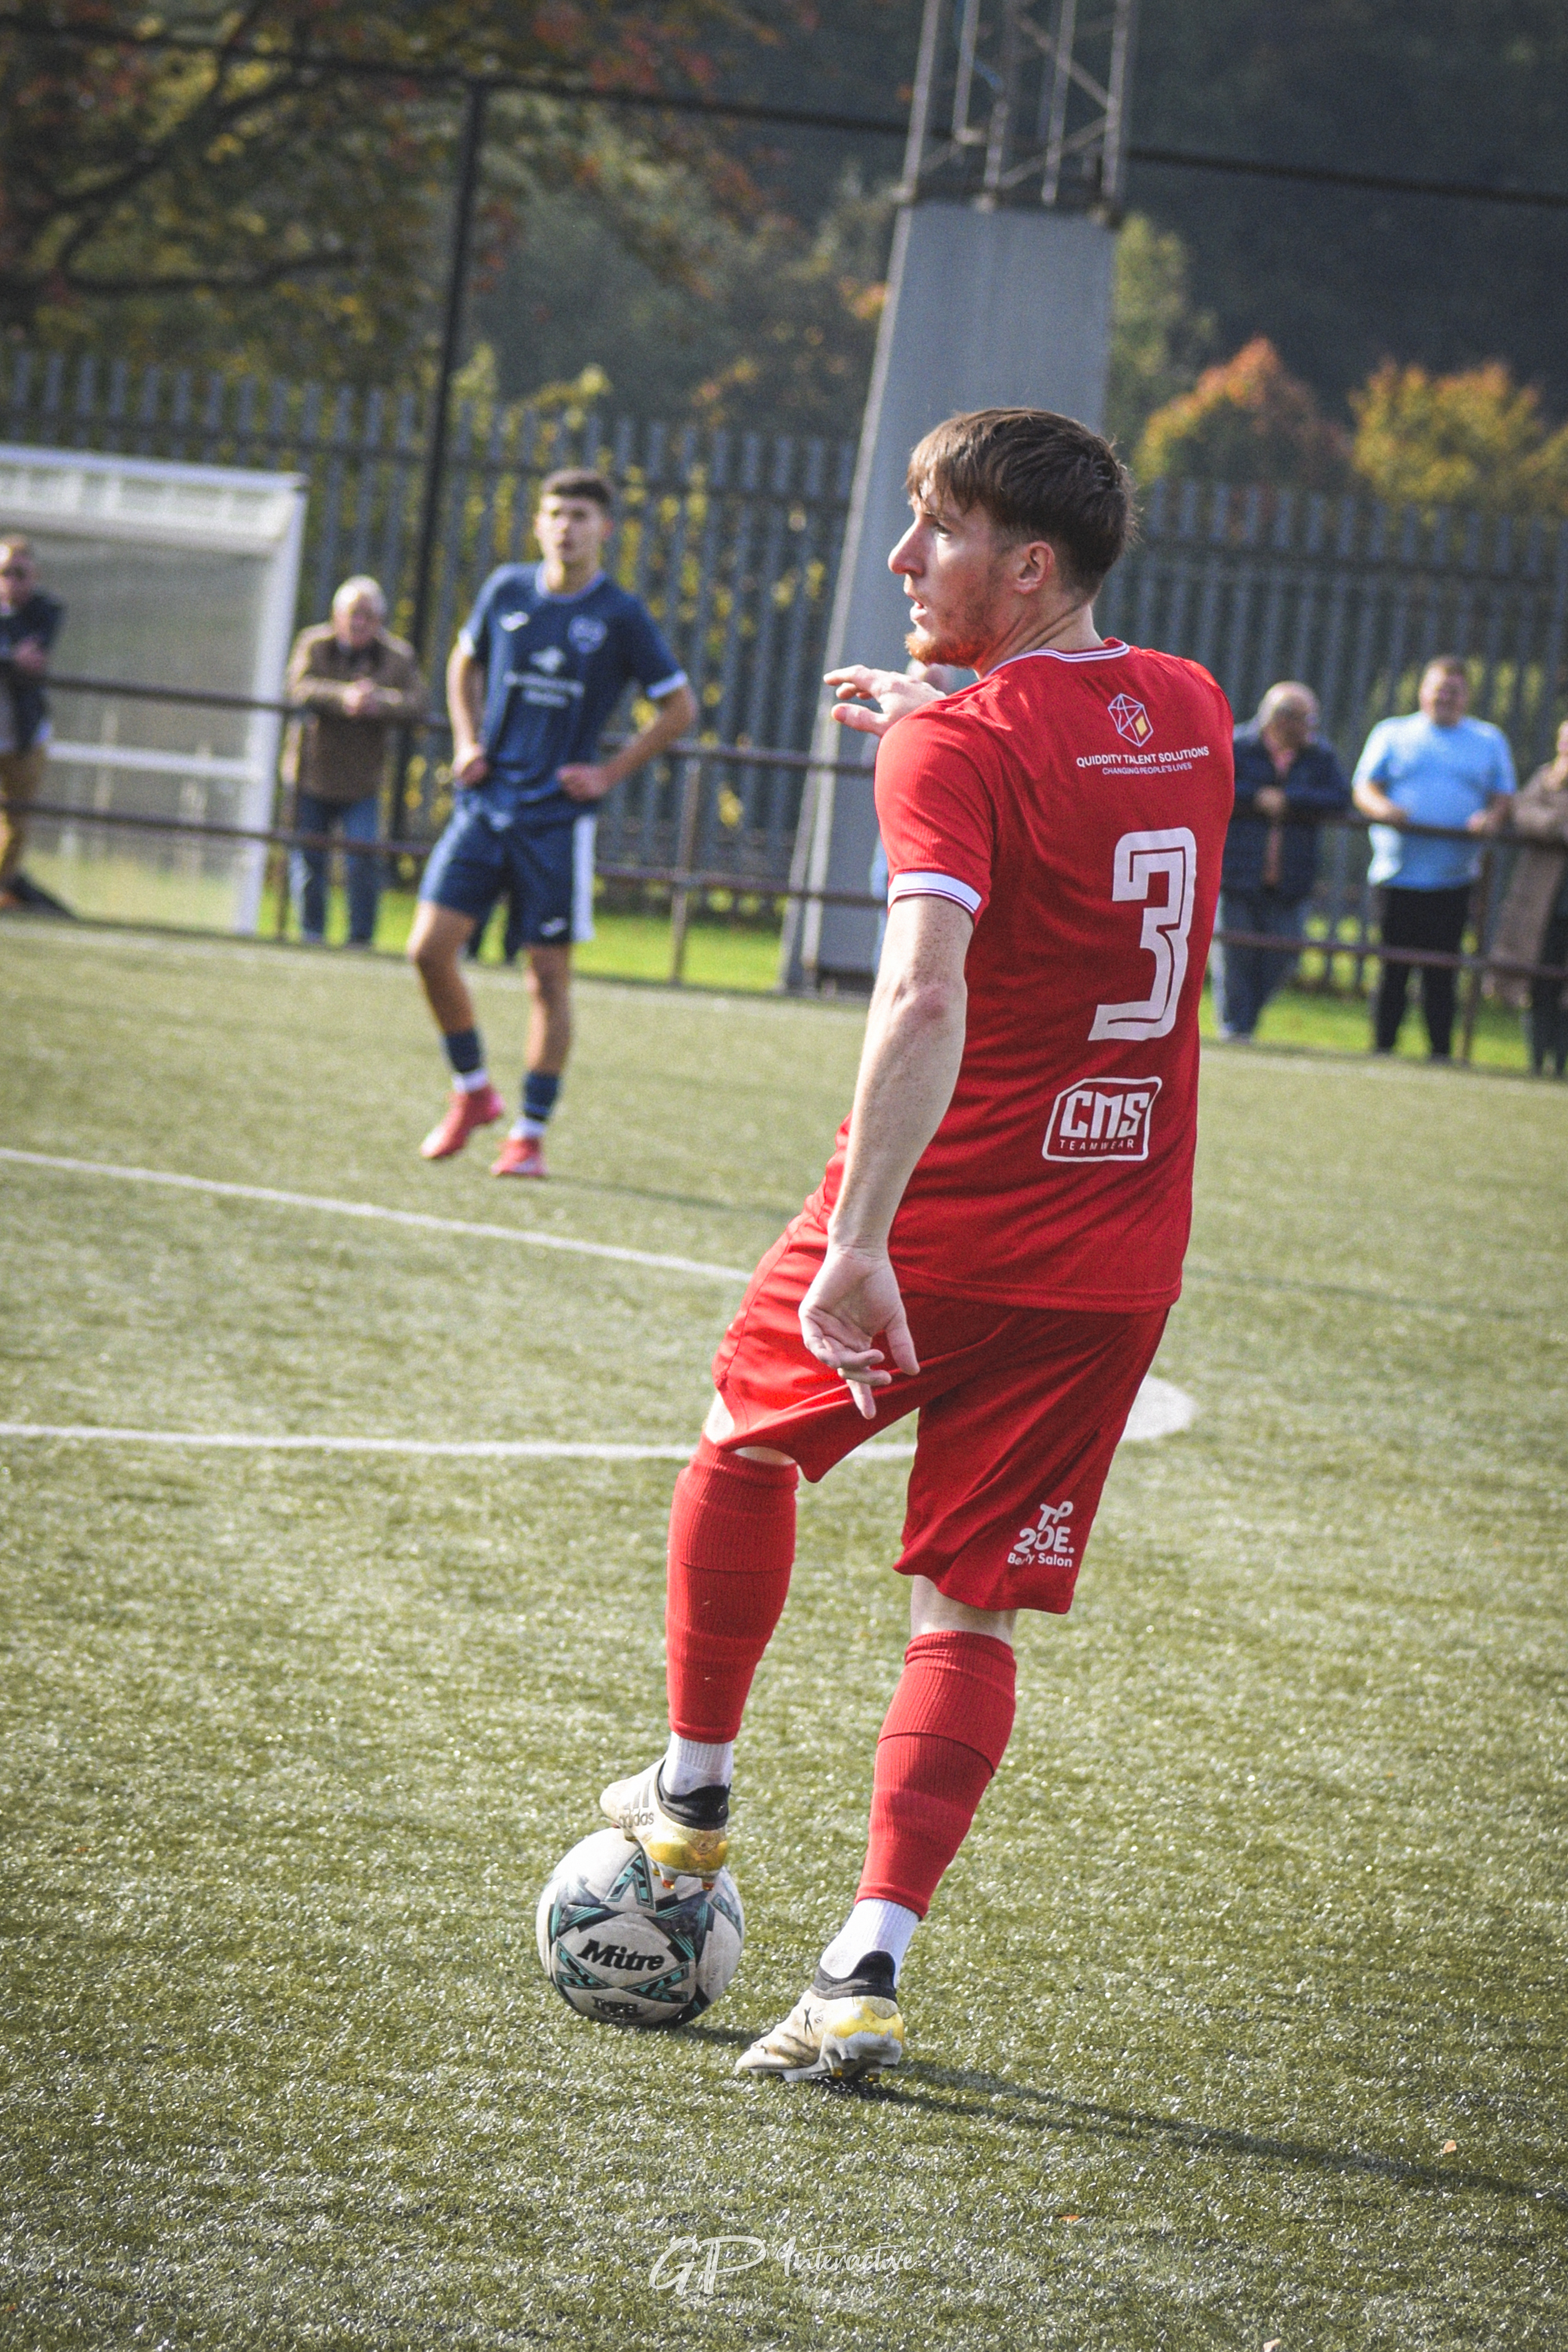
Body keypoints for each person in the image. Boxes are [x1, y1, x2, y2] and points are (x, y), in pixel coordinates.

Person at [599, 407, 1235, 2083]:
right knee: (969, 1613)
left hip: (945, 1218)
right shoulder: (1192, 709)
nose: (897, 560)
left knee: (741, 1445)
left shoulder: (946, 751)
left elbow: (925, 985)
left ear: (1025, 564)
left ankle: (689, 1806)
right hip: (1116, 1248)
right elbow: (1071, 763)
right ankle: (864, 1971)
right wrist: (951, 710)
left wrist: (859, 1240)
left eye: (932, 529)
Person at [408, 470, 696, 1175]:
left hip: (556, 826)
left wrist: (607, 773)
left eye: (582, 516)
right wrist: (466, 741)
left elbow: (681, 708)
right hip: (485, 807)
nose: (567, 526)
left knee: (547, 981)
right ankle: (473, 1091)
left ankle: (529, 1134)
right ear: (538, 523)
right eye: (556, 513)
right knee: (427, 949)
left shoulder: (621, 615)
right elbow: (462, 662)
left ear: (605, 530)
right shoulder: (506, 590)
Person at [1352, 657, 1515, 1059]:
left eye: (1454, 690)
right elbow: (1365, 787)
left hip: (1454, 877)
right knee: (1392, 968)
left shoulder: (1488, 740)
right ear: (1423, 691)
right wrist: (1384, 810)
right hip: (1397, 873)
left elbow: (1504, 797)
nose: (1445, 697)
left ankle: (1441, 1052)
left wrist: (1490, 818)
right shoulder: (1392, 732)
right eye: (1439, 688)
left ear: (1466, 696)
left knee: (1443, 971)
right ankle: (1383, 1048)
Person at [283, 577, 423, 947]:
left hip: (363, 782)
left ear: (380, 620)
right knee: (310, 861)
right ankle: (311, 933)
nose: (359, 623)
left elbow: (417, 702)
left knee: (362, 860)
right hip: (311, 774)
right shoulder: (314, 645)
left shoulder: (398, 656)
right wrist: (342, 698)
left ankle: (360, 939)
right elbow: (298, 687)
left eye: (368, 616)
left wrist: (379, 702)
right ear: (336, 616)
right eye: (352, 614)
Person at [1214, 681, 1349, 1040]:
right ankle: (1235, 1028)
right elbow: (1215, 782)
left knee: (1284, 954)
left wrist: (1290, 798)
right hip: (1237, 873)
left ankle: (1247, 1019)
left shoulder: (1320, 755)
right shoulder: (1239, 745)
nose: (1312, 727)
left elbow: (1339, 798)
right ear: (1282, 719)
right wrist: (1256, 797)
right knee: (1236, 956)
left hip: (1292, 878)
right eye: (1306, 719)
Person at [1488, 717, 1568, 1076]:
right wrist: (1559, 826)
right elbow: (1524, 814)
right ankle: (1537, 1061)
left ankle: (1561, 1064)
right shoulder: (1546, 780)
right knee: (1537, 979)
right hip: (1546, 907)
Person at [0, 535, 65, 913]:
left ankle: (3, 888)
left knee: (16, 822)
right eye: (4, 572)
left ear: (35, 576)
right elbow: (16, 659)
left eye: (20, 573)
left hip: (23, 737)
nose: (12, 581)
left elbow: (33, 657)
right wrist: (11, 658)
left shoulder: (45, 610)